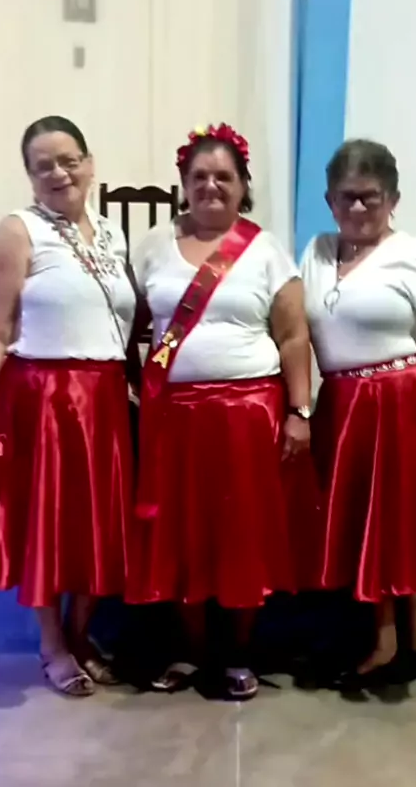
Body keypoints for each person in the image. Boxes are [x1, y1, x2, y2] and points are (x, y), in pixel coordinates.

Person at [128, 123, 312, 700]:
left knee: (239, 532)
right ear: (184, 183)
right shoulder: (153, 245)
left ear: (243, 186)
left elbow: (294, 336)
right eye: (200, 176)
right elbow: (131, 324)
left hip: (247, 414)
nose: (211, 186)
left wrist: (300, 410)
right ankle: (192, 648)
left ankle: (236, 651)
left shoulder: (265, 249)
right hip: (174, 416)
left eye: (224, 177)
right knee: (180, 532)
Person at [0, 115, 138, 696]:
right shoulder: (17, 230)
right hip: (43, 398)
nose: (59, 173)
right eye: (43, 165)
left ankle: (79, 633)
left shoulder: (113, 234)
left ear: (89, 164)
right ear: (29, 175)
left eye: (69, 160)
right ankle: (52, 645)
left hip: (104, 399)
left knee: (98, 525)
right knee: (46, 526)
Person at [301, 139, 416, 689]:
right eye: (346, 196)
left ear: (392, 199)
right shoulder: (316, 252)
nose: (358, 207)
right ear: (330, 200)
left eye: (370, 196)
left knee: (395, 522)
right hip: (344, 407)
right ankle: (409, 633)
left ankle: (391, 641)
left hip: (404, 402)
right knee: (363, 525)